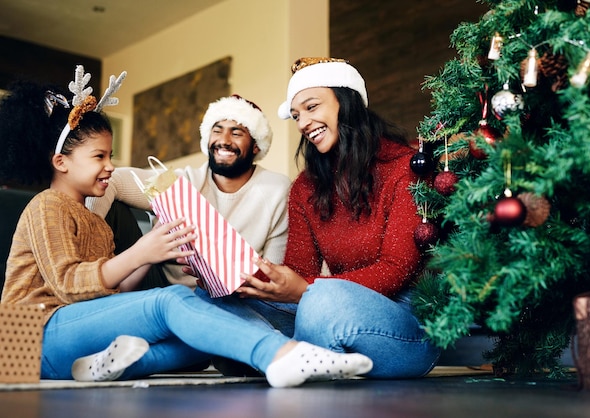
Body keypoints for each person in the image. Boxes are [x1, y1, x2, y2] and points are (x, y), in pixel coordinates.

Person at [0, 67, 373, 387]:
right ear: (60, 162)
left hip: (72, 346)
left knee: (206, 330)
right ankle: (282, 355)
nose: (110, 165)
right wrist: (142, 251)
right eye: (99, 156)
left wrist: (155, 250)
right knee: (172, 302)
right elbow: (68, 285)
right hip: (27, 341)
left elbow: (115, 288)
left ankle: (108, 367)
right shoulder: (46, 205)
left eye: (109, 155)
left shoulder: (90, 220)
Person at [194, 57, 441, 379]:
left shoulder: (406, 168)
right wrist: (241, 279)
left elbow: (397, 270)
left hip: (405, 327)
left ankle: (271, 354)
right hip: (324, 308)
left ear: (347, 102)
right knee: (210, 298)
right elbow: (299, 273)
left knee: (322, 299)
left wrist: (305, 290)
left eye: (311, 107)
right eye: (296, 115)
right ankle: (281, 353)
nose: (302, 123)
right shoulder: (305, 188)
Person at [86, 94, 291, 289]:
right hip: (162, 285)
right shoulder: (183, 181)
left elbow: (273, 274)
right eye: (217, 130)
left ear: (256, 146)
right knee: (108, 199)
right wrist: (87, 239)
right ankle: (86, 283)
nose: (224, 140)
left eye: (237, 133)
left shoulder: (275, 189)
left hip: (235, 295)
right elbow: (114, 180)